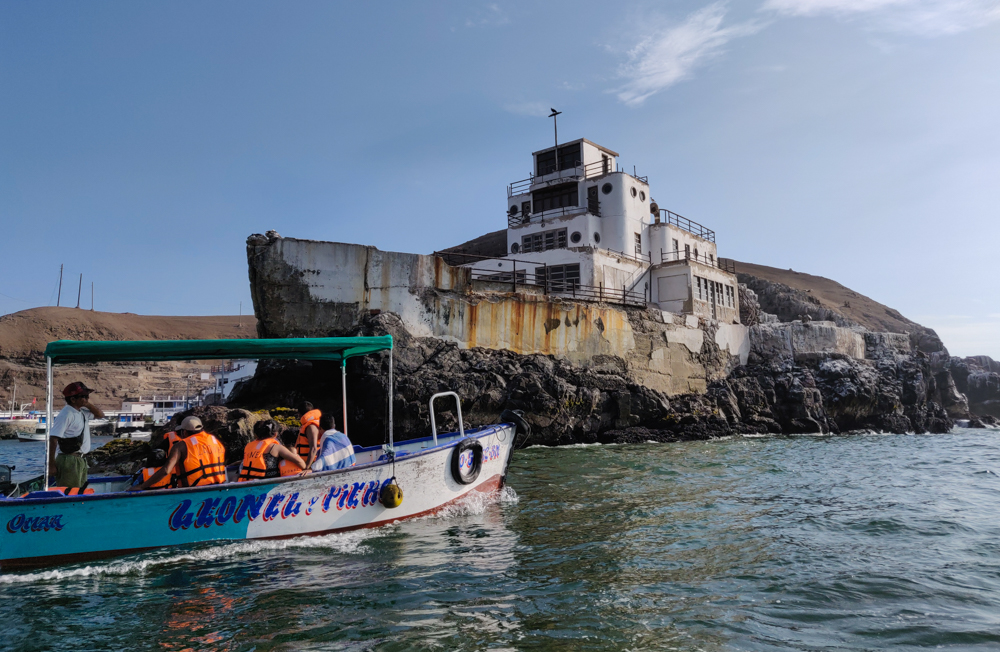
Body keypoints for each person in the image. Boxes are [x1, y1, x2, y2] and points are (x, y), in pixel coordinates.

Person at [131, 416, 226, 490]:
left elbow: (166, 470)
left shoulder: (181, 446)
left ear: (184, 432)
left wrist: (142, 486)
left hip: (193, 490)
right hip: (219, 487)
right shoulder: (216, 442)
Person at [47, 382, 105, 489]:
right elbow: (53, 438)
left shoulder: (82, 412)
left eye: (87, 396)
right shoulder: (66, 414)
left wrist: (87, 404)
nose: (87, 398)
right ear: (73, 399)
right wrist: (51, 464)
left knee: (79, 491)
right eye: (83, 396)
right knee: (69, 492)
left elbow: (100, 415)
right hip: (69, 460)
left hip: (80, 459)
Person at [237, 420, 306, 482]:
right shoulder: (276, 447)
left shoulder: (249, 446)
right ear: (275, 434)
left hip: (247, 481)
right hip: (266, 482)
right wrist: (307, 469)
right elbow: (299, 461)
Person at [295, 402, 322, 472]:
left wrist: (307, 468)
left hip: (312, 464)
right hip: (307, 462)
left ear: (300, 414)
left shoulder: (311, 426)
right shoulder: (311, 424)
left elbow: (313, 448)